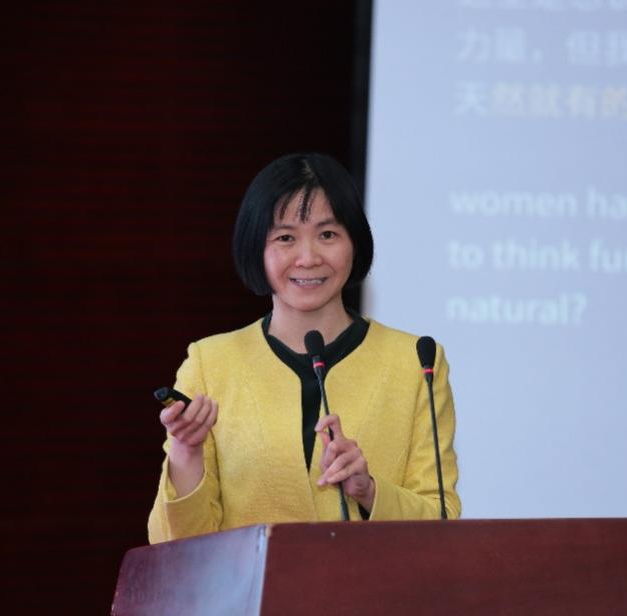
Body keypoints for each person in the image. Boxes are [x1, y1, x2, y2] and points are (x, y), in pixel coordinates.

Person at [147, 153, 460, 543]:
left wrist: (369, 491)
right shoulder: (210, 364)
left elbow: (442, 522)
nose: (308, 258)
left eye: (327, 235)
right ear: (256, 248)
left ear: (355, 243)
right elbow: (172, 547)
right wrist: (185, 454)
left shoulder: (415, 362)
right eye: (285, 238)